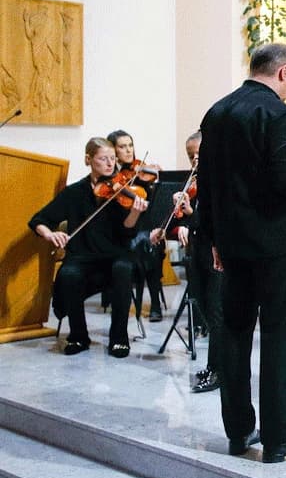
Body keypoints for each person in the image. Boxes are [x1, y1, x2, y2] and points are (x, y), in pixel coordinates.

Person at [199, 43, 286, 463]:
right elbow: (285, 178)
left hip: (232, 243)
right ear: (282, 73)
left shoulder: (217, 112)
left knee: (234, 333)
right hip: (274, 243)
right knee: (278, 335)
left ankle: (239, 430)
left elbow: (208, 184)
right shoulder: (278, 114)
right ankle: (280, 436)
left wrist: (214, 239)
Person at [30, 138, 149, 357]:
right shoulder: (74, 192)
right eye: (103, 159)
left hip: (116, 255)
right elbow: (39, 220)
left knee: (123, 269)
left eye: (112, 158)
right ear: (88, 159)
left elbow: (127, 231)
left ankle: (119, 339)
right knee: (68, 274)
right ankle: (78, 336)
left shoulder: (121, 191)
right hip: (82, 256)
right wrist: (50, 234)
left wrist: (135, 212)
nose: (110, 164)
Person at [150, 131, 224, 392]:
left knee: (217, 312)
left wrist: (191, 214)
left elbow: (215, 221)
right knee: (203, 305)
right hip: (198, 251)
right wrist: (166, 226)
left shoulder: (220, 181)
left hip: (217, 254)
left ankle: (218, 369)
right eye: (191, 155)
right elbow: (188, 220)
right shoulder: (194, 181)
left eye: (199, 154)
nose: (195, 160)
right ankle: (217, 365)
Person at [108, 128, 166, 322]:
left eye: (130, 145)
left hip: (143, 226)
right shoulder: (110, 176)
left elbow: (154, 198)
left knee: (151, 244)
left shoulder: (140, 171)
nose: (128, 150)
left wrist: (154, 174)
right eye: (122, 147)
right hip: (120, 231)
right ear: (113, 150)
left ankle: (155, 304)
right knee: (144, 244)